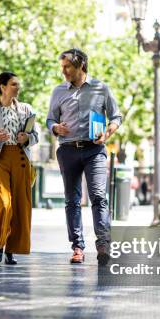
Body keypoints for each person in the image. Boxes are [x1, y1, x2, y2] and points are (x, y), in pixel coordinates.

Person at [46, 48, 122, 265]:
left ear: (81, 65)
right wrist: (55, 128)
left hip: (94, 150)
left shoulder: (100, 88)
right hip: (68, 150)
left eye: (67, 66)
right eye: (62, 67)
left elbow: (116, 116)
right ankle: (78, 246)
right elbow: (50, 119)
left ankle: (103, 244)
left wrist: (108, 132)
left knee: (99, 196)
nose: (63, 71)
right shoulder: (58, 91)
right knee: (72, 200)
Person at [0, 72, 39, 265]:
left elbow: (35, 136)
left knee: (20, 207)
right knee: (5, 204)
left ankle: (11, 251)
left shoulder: (26, 109)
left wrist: (27, 138)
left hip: (21, 159)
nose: (17, 88)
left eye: (18, 85)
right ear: (3, 87)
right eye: (14, 84)